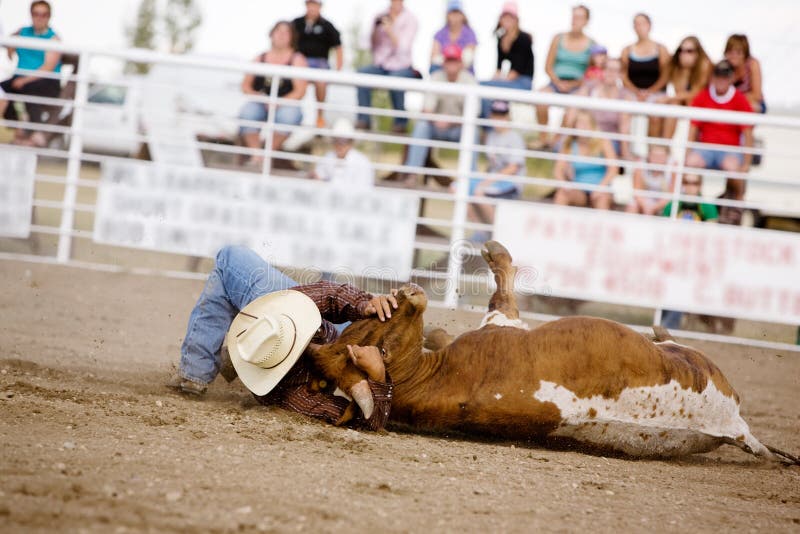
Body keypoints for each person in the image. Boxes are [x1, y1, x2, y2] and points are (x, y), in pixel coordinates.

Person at [169, 245, 399, 429]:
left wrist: (364, 304)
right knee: (229, 259)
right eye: (299, 345)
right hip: (297, 333)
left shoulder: (290, 310)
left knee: (229, 258)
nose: (311, 346)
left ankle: (198, 371)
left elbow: (329, 294)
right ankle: (203, 367)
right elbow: (366, 422)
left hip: (270, 310)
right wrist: (378, 374)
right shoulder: (292, 395)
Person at [686, 60, 753, 224]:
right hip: (706, 148)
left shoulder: (739, 99)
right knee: (690, 164)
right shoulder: (703, 96)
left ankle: (736, 205)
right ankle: (692, 205)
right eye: (718, 76)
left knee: (734, 170)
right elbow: (693, 128)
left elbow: (747, 132)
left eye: (725, 77)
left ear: (731, 79)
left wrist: (746, 162)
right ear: (713, 77)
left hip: (729, 149)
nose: (721, 80)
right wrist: (687, 154)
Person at [403, 44, 476, 185]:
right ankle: (411, 174)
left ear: (461, 63)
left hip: (458, 129)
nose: (451, 65)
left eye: (454, 61)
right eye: (449, 60)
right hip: (435, 126)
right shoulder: (436, 77)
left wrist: (451, 121)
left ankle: (469, 180)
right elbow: (427, 109)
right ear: (443, 62)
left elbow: (473, 114)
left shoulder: (469, 80)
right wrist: (437, 120)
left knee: (472, 131)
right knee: (422, 126)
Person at [239, 21, 308, 167]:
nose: (281, 36)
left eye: (286, 32)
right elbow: (245, 85)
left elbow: (300, 91)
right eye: (278, 31)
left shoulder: (297, 59)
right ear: (271, 34)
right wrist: (260, 98)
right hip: (261, 101)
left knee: (289, 116)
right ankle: (256, 156)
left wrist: (279, 102)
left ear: (292, 37)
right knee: (247, 112)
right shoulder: (260, 58)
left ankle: (267, 155)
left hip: (285, 103)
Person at [0, 0, 62, 148]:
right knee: (2, 90)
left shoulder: (53, 38)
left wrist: (25, 80)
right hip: (20, 77)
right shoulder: (23, 32)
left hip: (45, 80)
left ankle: (36, 132)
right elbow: (10, 52)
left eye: (44, 14)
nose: (39, 17)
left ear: (49, 16)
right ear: (31, 15)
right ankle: (17, 126)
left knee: (30, 89)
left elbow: (48, 67)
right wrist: (11, 44)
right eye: (36, 14)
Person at [660, 174, 718, 330]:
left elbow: (712, 234)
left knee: (680, 284)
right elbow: (663, 230)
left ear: (700, 185)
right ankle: (666, 323)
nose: (691, 186)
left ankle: (669, 325)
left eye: (695, 183)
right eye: (686, 182)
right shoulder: (673, 204)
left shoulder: (706, 206)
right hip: (673, 253)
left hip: (695, 256)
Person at [535, 5, 594, 147]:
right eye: (574, 16)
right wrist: (558, 82)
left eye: (579, 17)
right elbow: (548, 66)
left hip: (577, 86)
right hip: (555, 82)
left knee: (572, 111)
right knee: (540, 98)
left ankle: (556, 142)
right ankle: (543, 138)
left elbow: (589, 74)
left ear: (586, 21)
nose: (575, 20)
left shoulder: (592, 45)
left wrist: (573, 85)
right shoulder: (558, 38)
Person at [356, 0, 418, 133]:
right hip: (381, 65)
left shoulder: (410, 19)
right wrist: (375, 29)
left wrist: (390, 30)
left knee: (396, 80)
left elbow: (403, 49)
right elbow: (367, 45)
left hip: (402, 66)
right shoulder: (380, 15)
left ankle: (400, 123)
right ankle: (364, 119)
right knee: (361, 74)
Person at [468, 100, 524, 235]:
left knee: (478, 192)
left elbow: (513, 168)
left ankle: (497, 234)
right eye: (495, 116)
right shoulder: (491, 136)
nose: (498, 119)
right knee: (457, 187)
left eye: (502, 116)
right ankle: (481, 233)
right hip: (493, 180)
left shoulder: (515, 138)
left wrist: (487, 181)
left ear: (507, 117)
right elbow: (493, 164)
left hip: (510, 183)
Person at [563, 57, 633, 160]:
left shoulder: (625, 96)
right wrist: (568, 138)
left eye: (615, 70)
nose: (610, 73)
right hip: (585, 136)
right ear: (602, 70)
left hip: (610, 141)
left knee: (603, 146)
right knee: (565, 147)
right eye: (607, 69)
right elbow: (572, 114)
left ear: (621, 74)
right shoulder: (589, 88)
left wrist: (625, 154)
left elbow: (624, 128)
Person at [292, 0, 343, 128]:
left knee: (321, 81)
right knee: (293, 82)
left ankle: (320, 117)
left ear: (320, 7)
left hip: (320, 64)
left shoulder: (327, 26)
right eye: (310, 4)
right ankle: (289, 112)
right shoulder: (296, 23)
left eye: (315, 5)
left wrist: (338, 69)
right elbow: (287, 42)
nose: (312, 8)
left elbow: (338, 47)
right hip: (298, 63)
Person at [478, 1, 534, 120]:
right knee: (482, 88)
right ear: (500, 19)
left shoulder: (523, 38)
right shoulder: (501, 38)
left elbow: (516, 71)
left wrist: (495, 83)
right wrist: (493, 81)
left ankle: (488, 124)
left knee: (482, 86)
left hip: (523, 83)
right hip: (510, 81)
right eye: (504, 17)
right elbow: (498, 69)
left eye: (511, 17)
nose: (507, 20)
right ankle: (488, 123)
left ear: (516, 20)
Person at [553, 110, 616, 210]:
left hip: (601, 188)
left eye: (587, 123)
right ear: (575, 126)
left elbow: (613, 169)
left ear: (592, 126)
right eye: (580, 123)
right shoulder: (568, 144)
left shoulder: (603, 142)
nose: (584, 126)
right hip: (579, 190)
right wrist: (564, 185)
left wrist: (601, 188)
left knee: (602, 199)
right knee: (562, 194)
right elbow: (558, 170)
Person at [620, 13, 670, 137]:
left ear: (649, 26)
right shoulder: (627, 50)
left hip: (655, 93)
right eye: (636, 24)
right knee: (623, 112)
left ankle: (652, 152)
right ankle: (625, 151)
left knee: (655, 115)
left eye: (642, 23)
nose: (639, 27)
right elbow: (623, 76)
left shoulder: (661, 49)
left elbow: (665, 76)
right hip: (633, 93)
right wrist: (637, 92)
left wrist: (650, 92)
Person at [658, 36, 711, 140]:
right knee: (673, 105)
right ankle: (664, 146)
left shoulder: (705, 65)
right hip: (687, 103)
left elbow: (696, 93)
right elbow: (681, 93)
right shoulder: (677, 68)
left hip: (703, 104)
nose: (684, 54)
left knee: (676, 102)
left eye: (689, 51)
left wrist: (669, 98)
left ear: (697, 53)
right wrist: (685, 70)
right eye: (681, 50)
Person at [312, 118, 374, 188]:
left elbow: (363, 188)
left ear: (351, 142)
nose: (340, 144)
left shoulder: (362, 162)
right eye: (336, 140)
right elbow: (319, 176)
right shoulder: (328, 157)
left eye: (344, 141)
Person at [430, 0, 477, 74]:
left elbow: (468, 58)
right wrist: (450, 62)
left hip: (463, 73)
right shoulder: (439, 34)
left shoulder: (470, 34)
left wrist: (451, 63)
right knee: (434, 69)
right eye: (452, 13)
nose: (455, 16)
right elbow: (433, 58)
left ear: (462, 15)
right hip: (443, 72)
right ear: (447, 15)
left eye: (457, 13)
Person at [626, 144, 674, 215]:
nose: (657, 159)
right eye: (654, 156)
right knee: (633, 206)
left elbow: (671, 194)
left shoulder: (673, 168)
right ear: (649, 156)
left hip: (662, 201)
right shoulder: (640, 165)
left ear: (667, 157)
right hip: (644, 199)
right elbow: (636, 191)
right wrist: (646, 205)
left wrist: (655, 207)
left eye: (661, 156)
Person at [724, 34, 765, 114]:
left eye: (738, 52)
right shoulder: (723, 67)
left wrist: (731, 98)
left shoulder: (752, 64)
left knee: (752, 107)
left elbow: (757, 96)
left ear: (745, 54)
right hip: (731, 105)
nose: (734, 56)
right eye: (730, 52)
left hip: (751, 104)